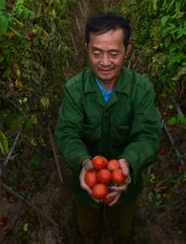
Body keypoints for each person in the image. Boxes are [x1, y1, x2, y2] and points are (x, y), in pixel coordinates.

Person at [55, 12, 161, 244]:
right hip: (86, 184)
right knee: (88, 228)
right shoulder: (74, 90)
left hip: (126, 187)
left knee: (122, 229)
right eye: (96, 52)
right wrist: (83, 162)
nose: (104, 62)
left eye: (113, 54)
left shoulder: (141, 89)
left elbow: (149, 135)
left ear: (127, 50)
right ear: (86, 48)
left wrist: (128, 163)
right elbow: (67, 133)